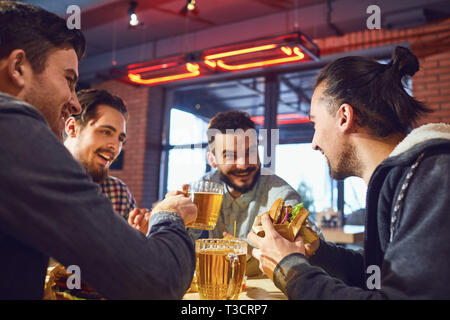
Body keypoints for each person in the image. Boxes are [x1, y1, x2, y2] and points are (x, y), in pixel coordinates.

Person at [0, 1, 196, 299]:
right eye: (68, 79)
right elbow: (157, 283)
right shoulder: (11, 127)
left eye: (121, 138)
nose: (74, 102)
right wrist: (169, 214)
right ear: (17, 68)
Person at [248, 46, 450, 299]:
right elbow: (378, 277)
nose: (313, 143)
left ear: (344, 117)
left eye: (314, 123)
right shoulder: (406, 178)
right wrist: (318, 252)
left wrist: (290, 270)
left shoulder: (433, 175)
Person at [186, 110, 321, 275]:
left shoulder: (281, 195)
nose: (243, 165)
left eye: (250, 152)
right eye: (230, 156)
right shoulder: (202, 190)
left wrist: (248, 252)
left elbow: (313, 252)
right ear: (212, 160)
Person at [64, 88, 139, 221]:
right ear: (72, 128)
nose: (115, 146)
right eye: (106, 132)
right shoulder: (33, 180)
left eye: (120, 139)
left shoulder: (118, 192)